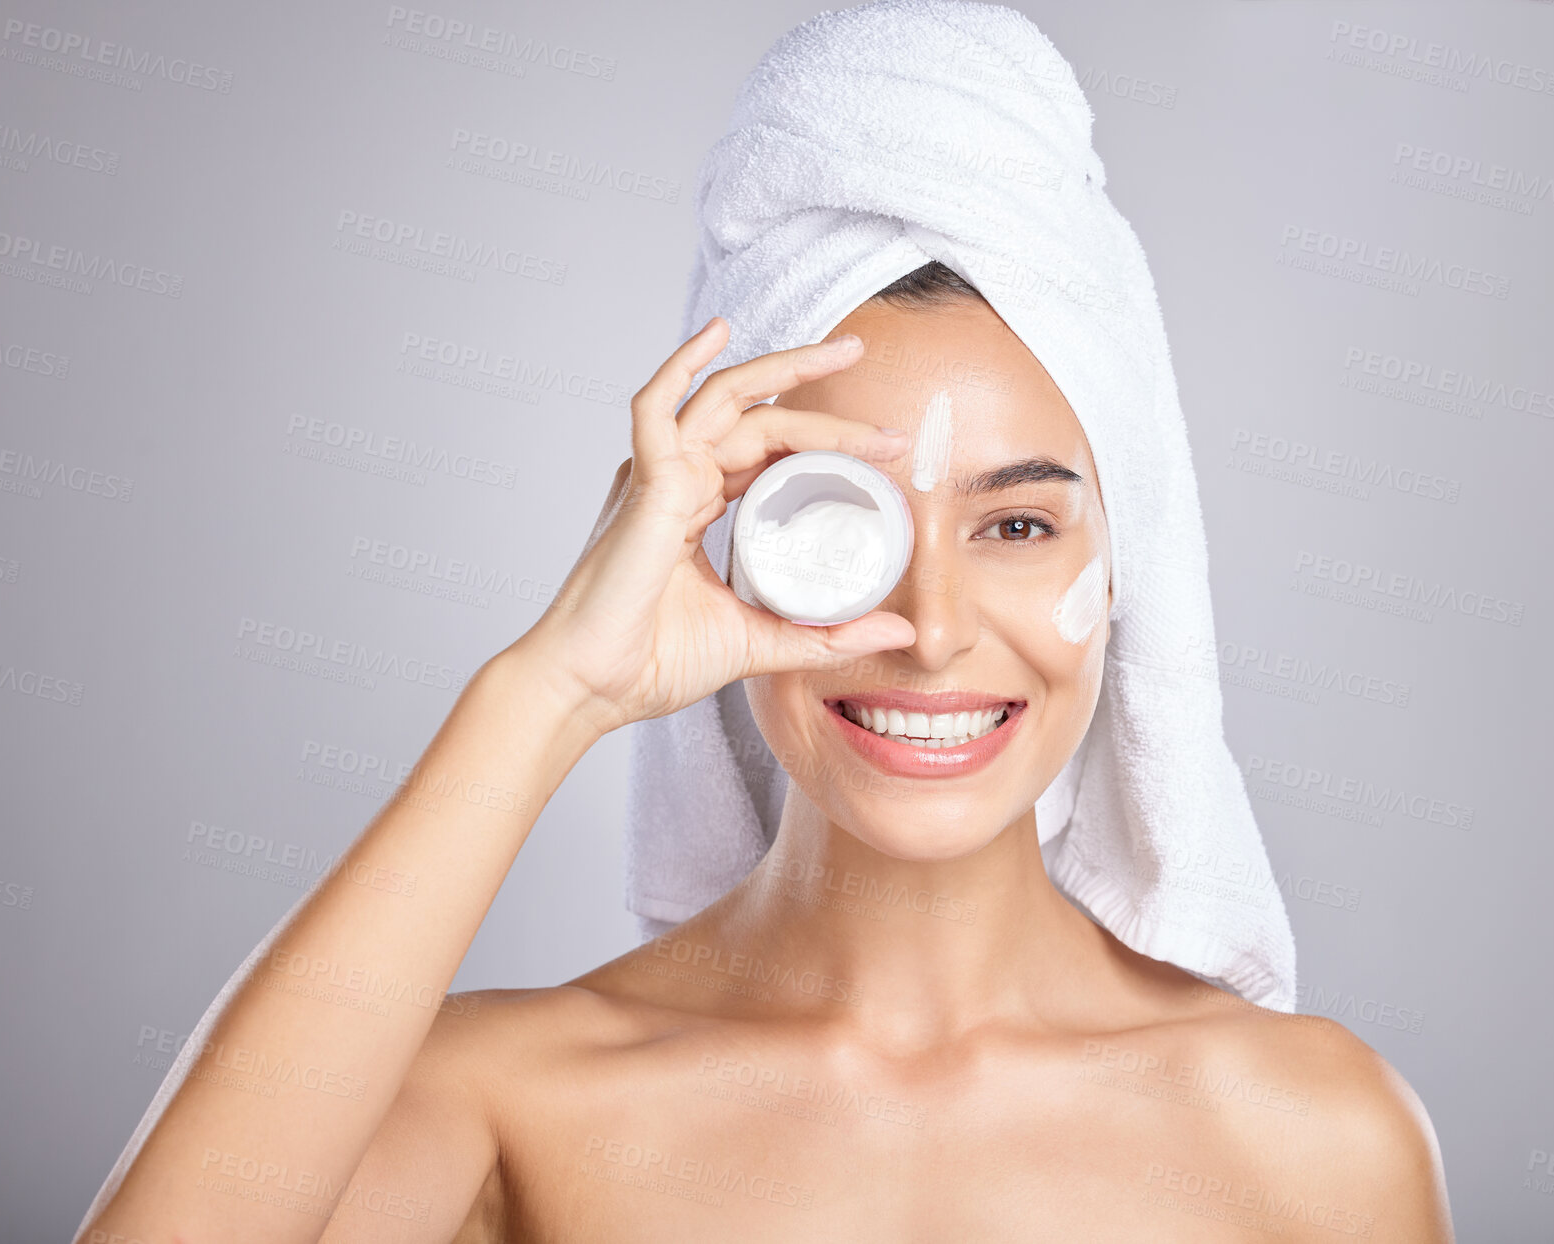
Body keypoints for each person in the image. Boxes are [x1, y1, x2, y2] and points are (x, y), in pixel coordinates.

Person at [76, 260, 1455, 1241]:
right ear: (718, 544)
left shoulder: (1308, 1132)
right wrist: (551, 688)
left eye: (1019, 526)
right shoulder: (508, 1106)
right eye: (840, 519)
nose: (928, 630)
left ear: (1136, 564)